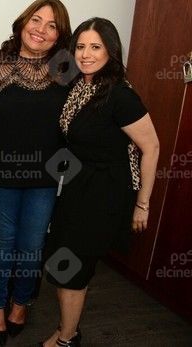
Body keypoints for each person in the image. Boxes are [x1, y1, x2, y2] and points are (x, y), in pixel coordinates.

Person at [40, 18, 159, 347]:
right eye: (80, 46)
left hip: (105, 194)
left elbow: (151, 147)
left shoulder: (120, 94)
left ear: (111, 51)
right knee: (61, 263)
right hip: (77, 189)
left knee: (73, 268)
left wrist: (143, 204)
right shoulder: (79, 85)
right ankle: (68, 328)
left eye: (96, 47)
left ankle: (66, 340)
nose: (86, 54)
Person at [0, 0, 72, 345]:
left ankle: (20, 304)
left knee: (32, 245)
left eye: (52, 26)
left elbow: (91, 105)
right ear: (23, 22)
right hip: (0, 173)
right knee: (1, 244)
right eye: (36, 20)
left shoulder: (66, 67)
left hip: (44, 178)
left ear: (59, 36)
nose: (41, 30)